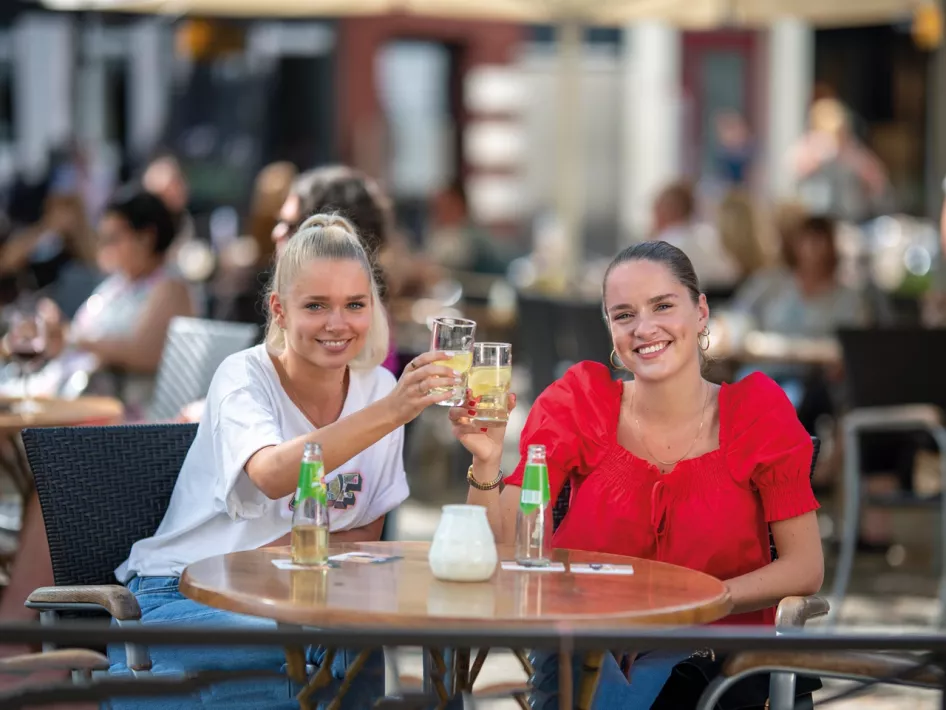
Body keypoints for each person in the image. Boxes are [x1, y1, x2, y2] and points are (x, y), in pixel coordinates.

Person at [452, 241, 824, 708]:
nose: (645, 328)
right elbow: (503, 550)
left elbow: (805, 568)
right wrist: (486, 460)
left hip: (715, 664)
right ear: (610, 328)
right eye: (624, 314)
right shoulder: (576, 405)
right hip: (589, 648)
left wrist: (692, 606)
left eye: (663, 305)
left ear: (701, 311)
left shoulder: (756, 414)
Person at [109, 214, 460, 709]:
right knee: (339, 645)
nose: (338, 324)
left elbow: (364, 532)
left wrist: (277, 553)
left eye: (354, 305)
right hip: (185, 596)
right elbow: (272, 474)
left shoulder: (377, 389)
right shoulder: (244, 377)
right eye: (316, 305)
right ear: (279, 309)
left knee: (396, 644)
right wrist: (391, 413)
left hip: (297, 604)